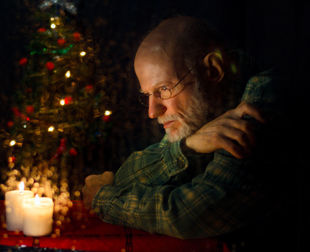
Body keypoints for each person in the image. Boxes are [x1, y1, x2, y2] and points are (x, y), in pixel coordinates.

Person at [82, 16, 294, 250]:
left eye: (164, 89)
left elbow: (190, 216)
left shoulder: (262, 101)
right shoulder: (198, 110)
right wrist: (189, 147)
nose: (153, 112)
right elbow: (124, 178)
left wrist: (103, 199)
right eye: (147, 95)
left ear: (213, 70)